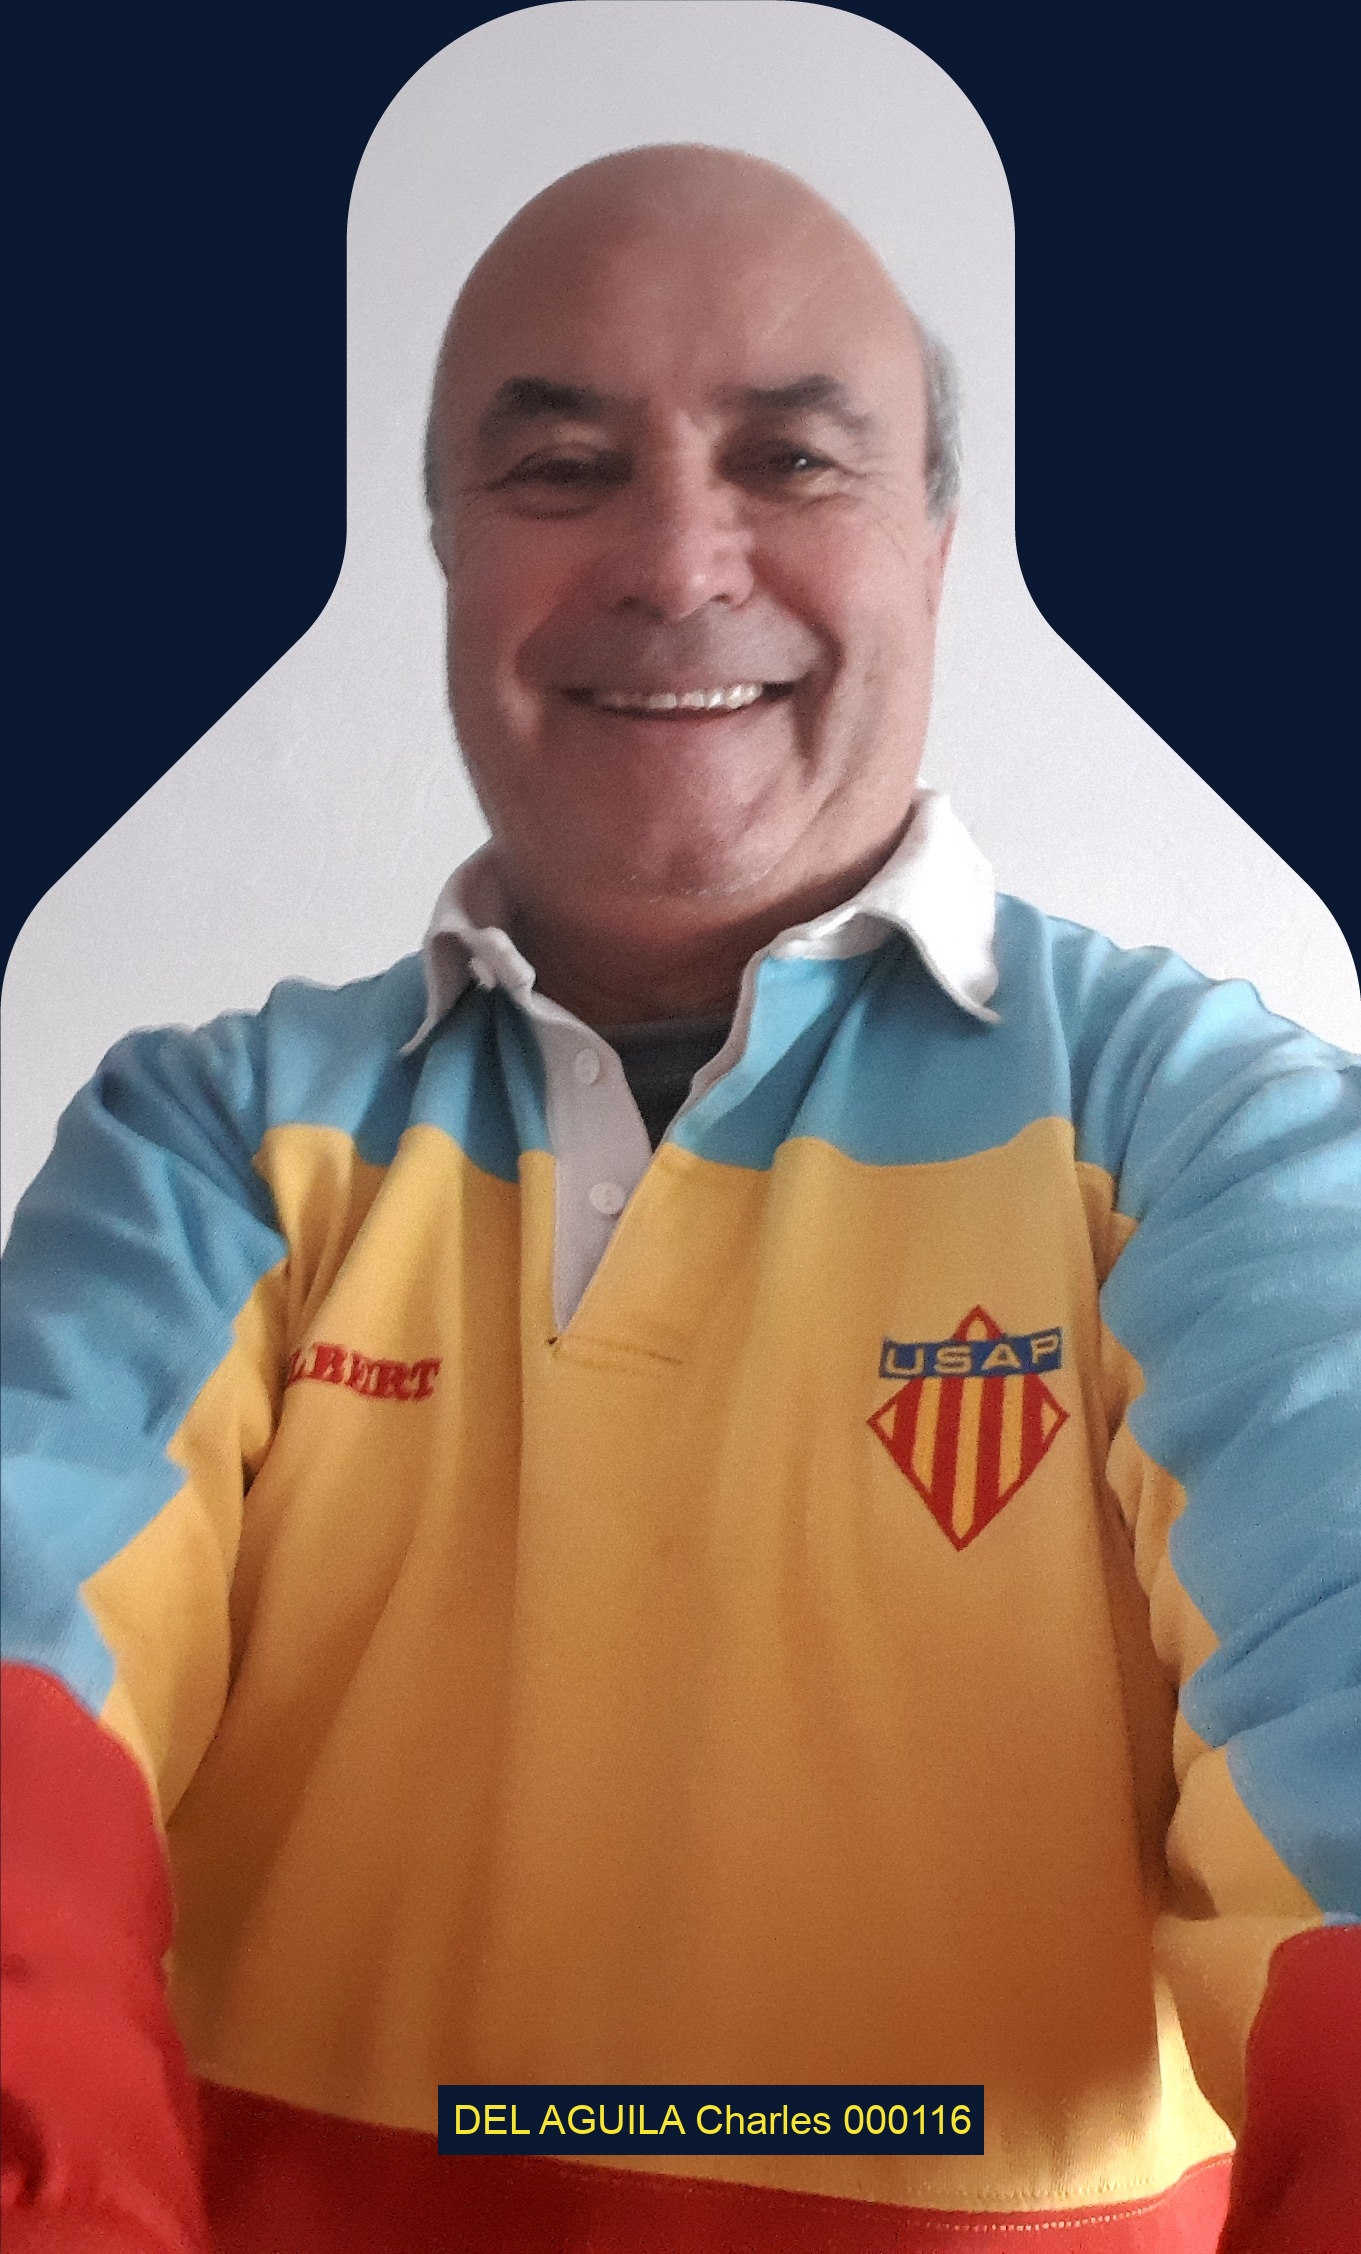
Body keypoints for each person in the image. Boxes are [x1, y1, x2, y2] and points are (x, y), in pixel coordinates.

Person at [1, 144, 1357, 2254]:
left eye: (792, 458)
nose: (673, 556)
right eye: (560, 467)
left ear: (935, 540)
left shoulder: (1212, 1131)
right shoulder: (201, 1145)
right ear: (444, 549)